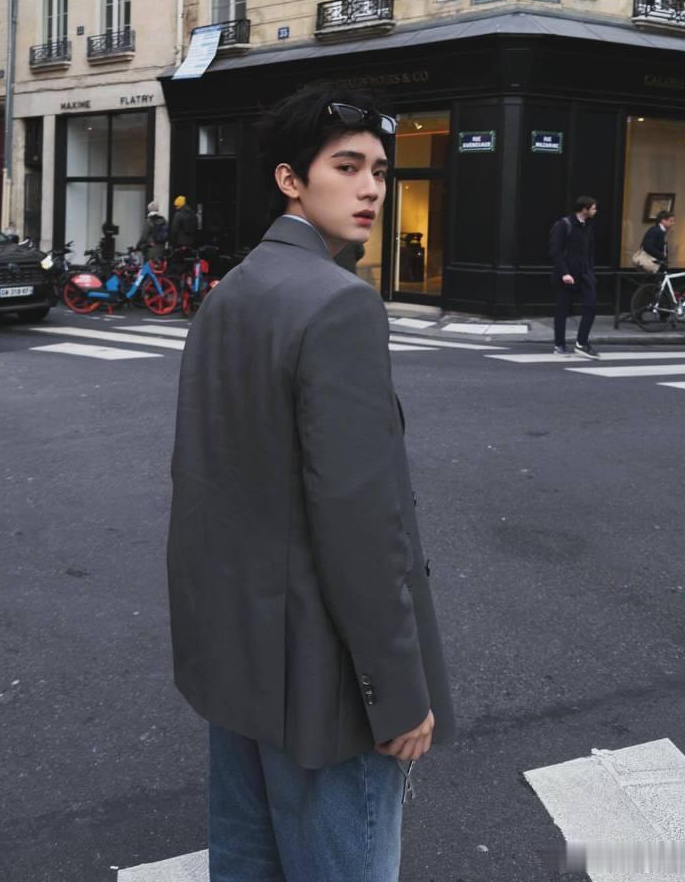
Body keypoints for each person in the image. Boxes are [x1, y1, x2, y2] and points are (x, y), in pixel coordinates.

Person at [166, 85, 455, 882]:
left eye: (380, 172)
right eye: (347, 166)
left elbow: (204, 478)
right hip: (324, 681)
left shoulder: (232, 292)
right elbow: (360, 522)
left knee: (247, 862)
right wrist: (397, 694)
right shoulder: (339, 304)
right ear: (290, 180)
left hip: (240, 656)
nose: (371, 189)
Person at [550, 195, 599, 358]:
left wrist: (590, 271)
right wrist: (564, 273)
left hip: (585, 273)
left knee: (591, 305)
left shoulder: (588, 226)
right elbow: (555, 251)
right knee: (562, 310)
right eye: (593, 208)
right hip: (566, 274)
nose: (595, 211)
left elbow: (590, 251)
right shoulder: (564, 224)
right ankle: (559, 344)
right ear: (584, 209)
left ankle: (581, 343)